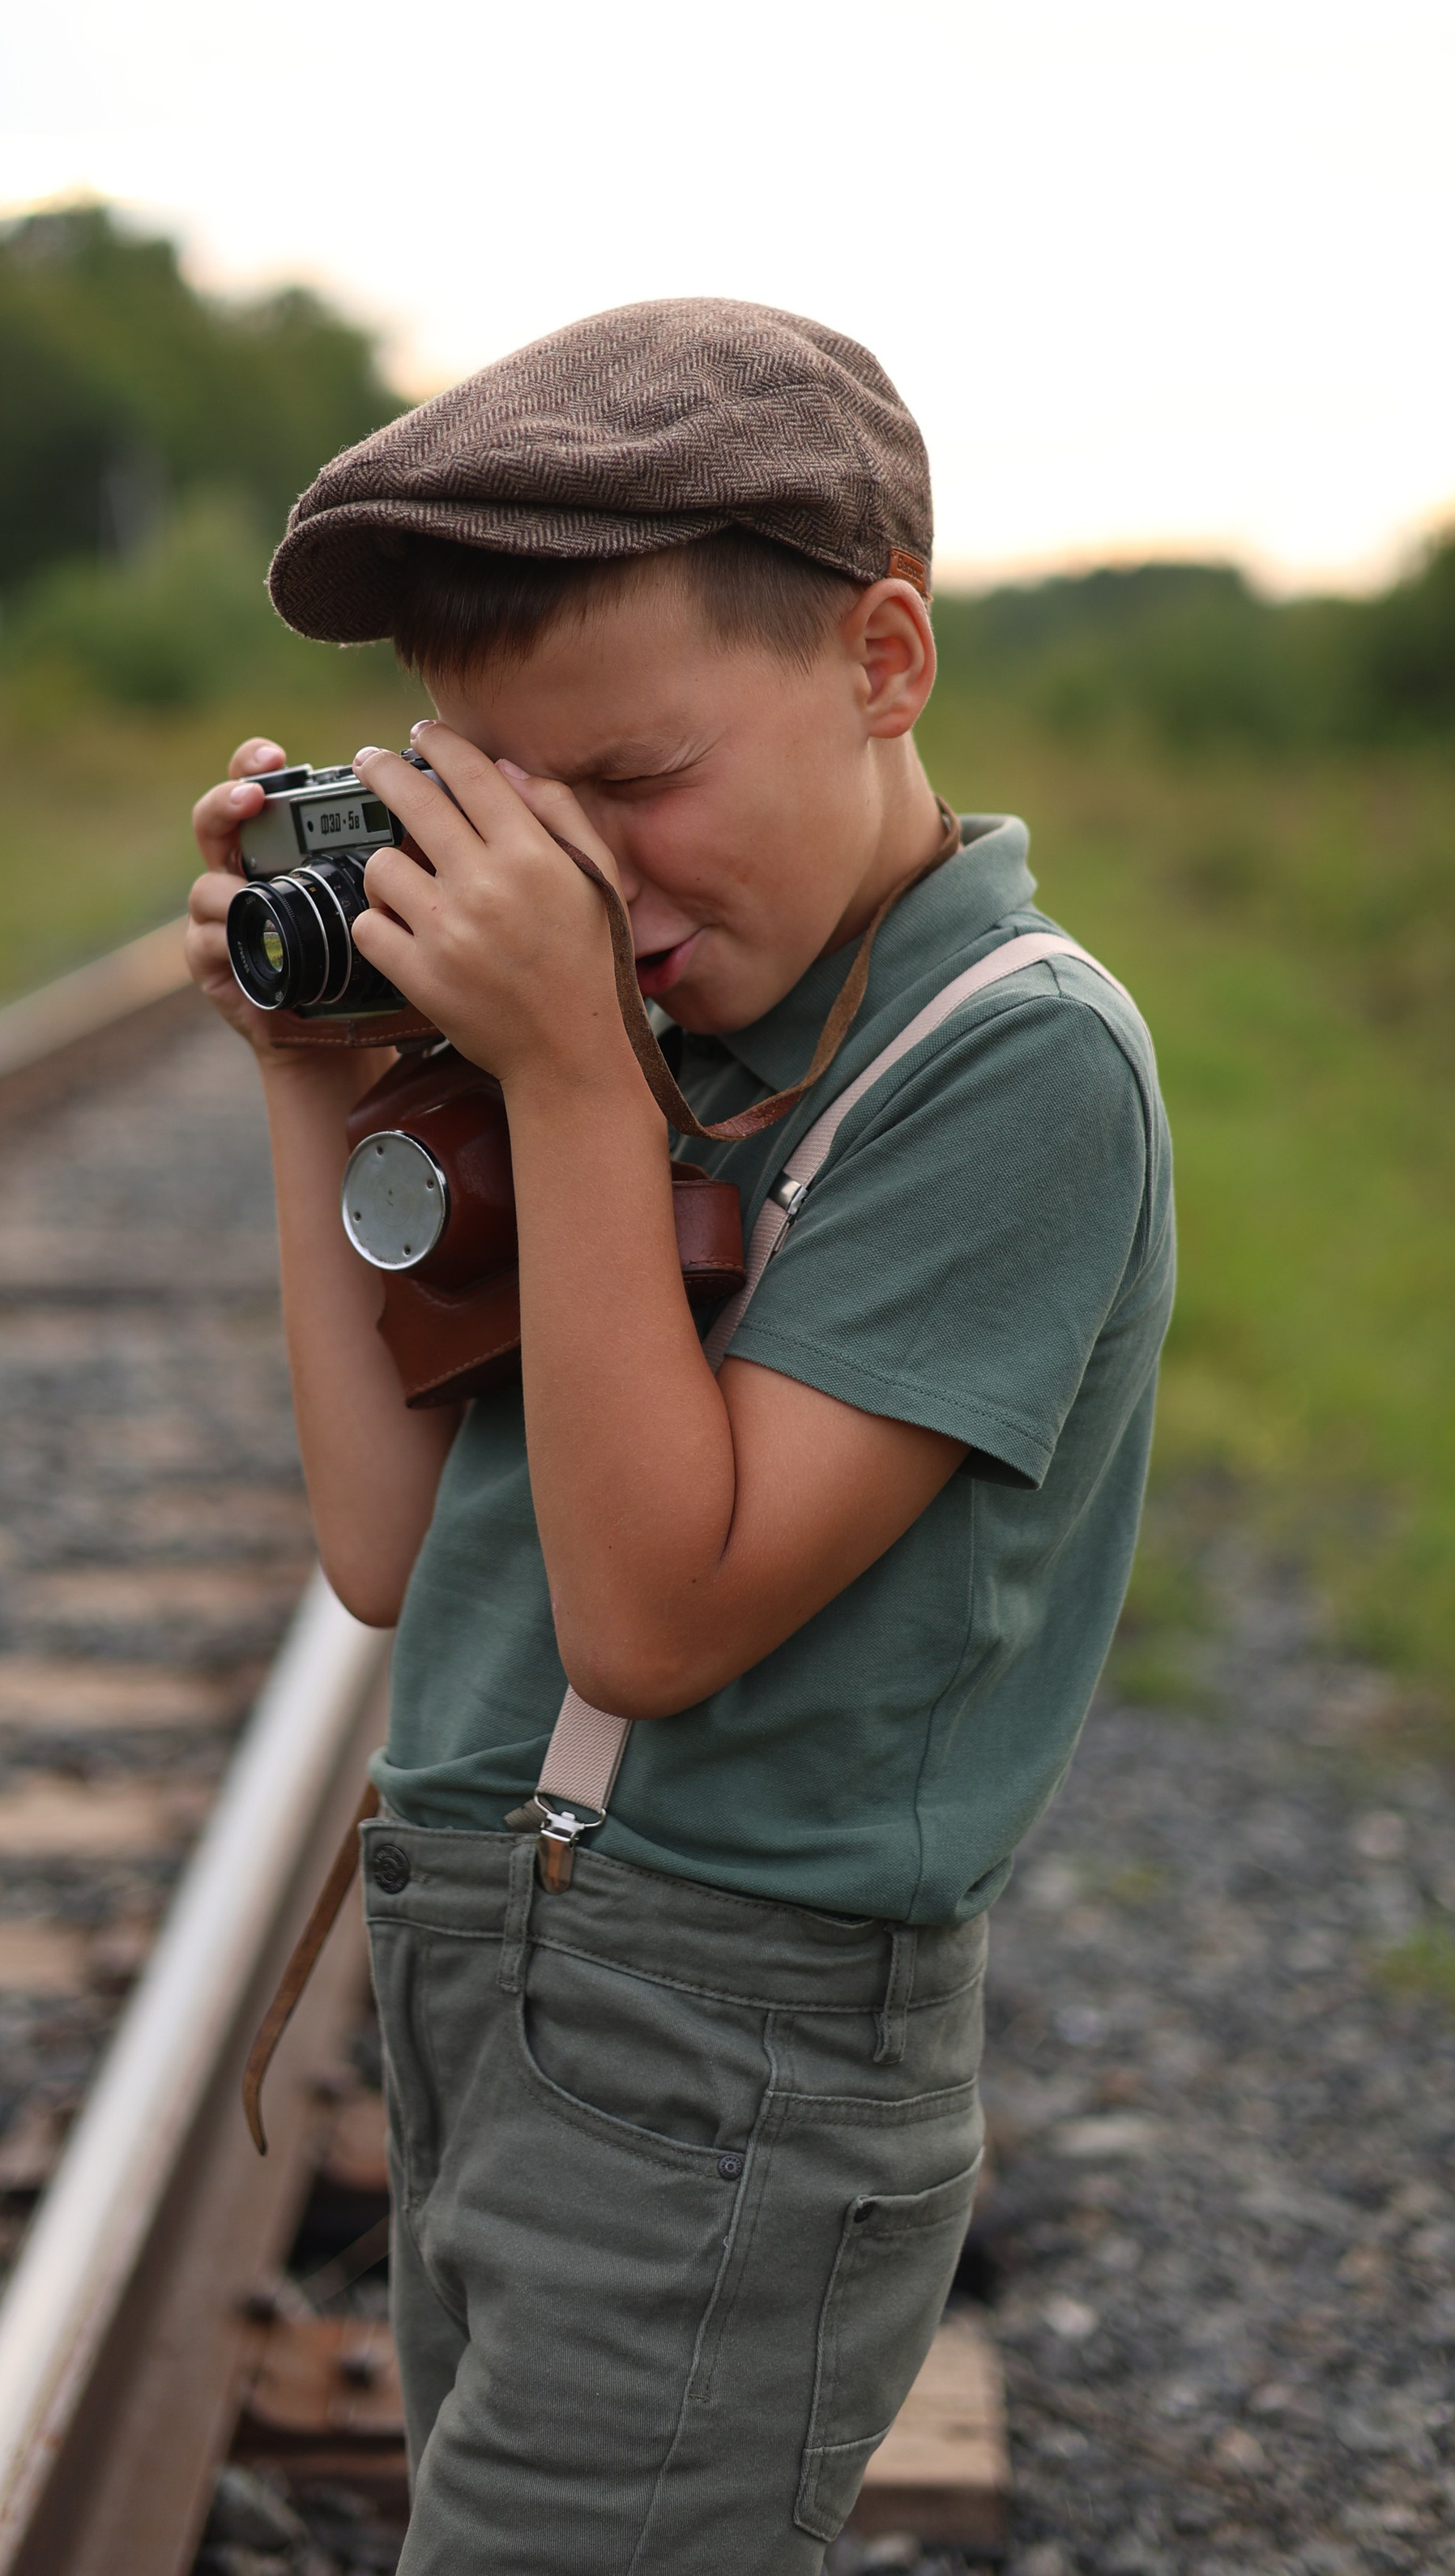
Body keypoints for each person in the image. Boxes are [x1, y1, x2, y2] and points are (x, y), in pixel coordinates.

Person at [185, 299, 1175, 2576]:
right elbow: (388, 1548)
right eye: (519, 810)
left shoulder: (1011, 1066)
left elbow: (648, 1623)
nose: (592, 884)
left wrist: (561, 1075)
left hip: (730, 2055)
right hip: (482, 1978)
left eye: (639, 784)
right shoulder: (663, 1013)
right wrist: (316, 1071)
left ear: (883, 660)